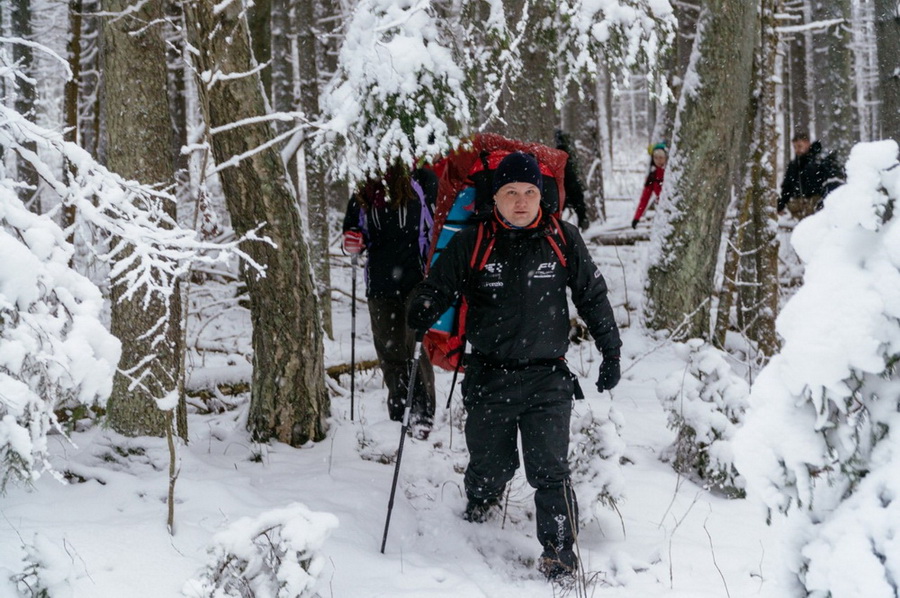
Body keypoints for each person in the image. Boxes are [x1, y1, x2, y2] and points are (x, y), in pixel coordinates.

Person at [406, 151, 622, 581]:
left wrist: (610, 350)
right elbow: (438, 286)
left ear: (541, 195)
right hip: (489, 375)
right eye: (510, 192)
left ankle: (559, 553)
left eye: (529, 192)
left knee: (550, 470)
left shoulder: (562, 238)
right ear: (496, 197)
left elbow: (592, 296)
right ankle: (481, 501)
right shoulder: (474, 241)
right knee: (492, 466)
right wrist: (425, 305)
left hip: (548, 377)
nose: (521, 201)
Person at [342, 160, 437, 439]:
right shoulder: (364, 187)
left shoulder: (423, 179)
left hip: (416, 277)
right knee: (389, 348)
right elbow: (352, 229)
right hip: (380, 281)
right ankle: (398, 410)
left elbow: (435, 225)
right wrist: (352, 241)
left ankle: (422, 412)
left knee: (414, 343)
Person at [778, 131, 845, 220]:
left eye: (799, 146)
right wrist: (781, 204)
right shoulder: (794, 165)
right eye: (795, 147)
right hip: (799, 209)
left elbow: (831, 183)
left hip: (817, 205)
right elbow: (787, 187)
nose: (797, 150)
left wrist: (823, 201)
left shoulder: (821, 161)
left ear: (807, 143)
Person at [554, 129, 590, 230]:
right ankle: (582, 219)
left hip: (561, 191)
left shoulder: (558, 155)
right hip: (567, 190)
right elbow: (573, 181)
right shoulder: (568, 155)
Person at [631, 142, 667, 228]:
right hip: (663, 212)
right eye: (656, 158)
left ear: (665, 158)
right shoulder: (652, 176)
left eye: (661, 157)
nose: (658, 160)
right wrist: (637, 217)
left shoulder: (670, 172)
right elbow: (644, 198)